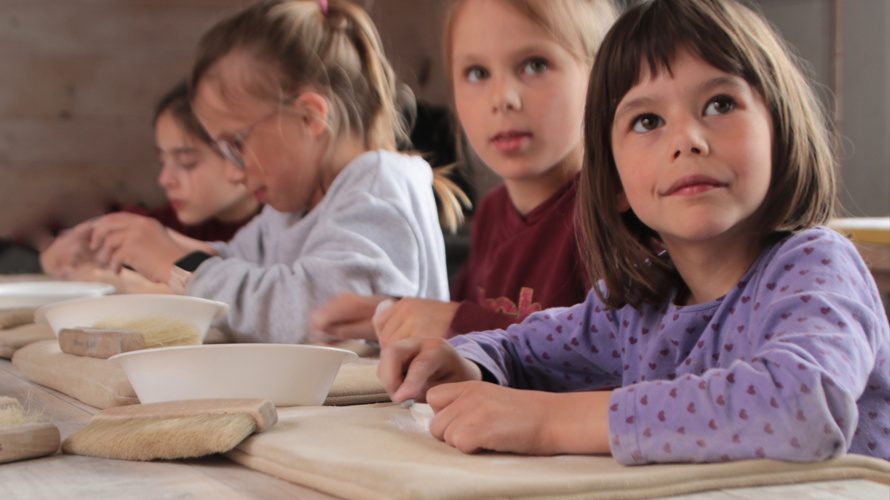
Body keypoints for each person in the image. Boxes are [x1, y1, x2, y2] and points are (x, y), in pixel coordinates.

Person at [378, 0, 890, 464]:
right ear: (615, 184)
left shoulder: (817, 265)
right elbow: (519, 350)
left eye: (719, 104)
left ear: (781, 130)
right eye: (647, 121)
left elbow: (803, 405)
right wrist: (465, 364)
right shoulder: (638, 303)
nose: (687, 140)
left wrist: (552, 422)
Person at [87, 0, 455, 343]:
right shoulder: (293, 208)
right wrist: (140, 240)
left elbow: (316, 314)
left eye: (236, 144)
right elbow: (233, 264)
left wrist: (174, 262)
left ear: (308, 117)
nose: (233, 174)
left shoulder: (378, 188)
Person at [310, 0, 618, 346]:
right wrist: (393, 317)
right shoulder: (491, 213)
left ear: (601, 75)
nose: (502, 98)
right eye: (477, 73)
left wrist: (457, 322)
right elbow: (458, 333)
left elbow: (618, 351)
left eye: (535, 65)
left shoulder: (615, 212)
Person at [39, 81, 261, 293]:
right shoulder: (171, 223)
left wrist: (128, 284)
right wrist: (76, 243)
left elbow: (241, 291)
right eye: (163, 161)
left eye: (187, 163)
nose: (164, 179)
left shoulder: (272, 235)